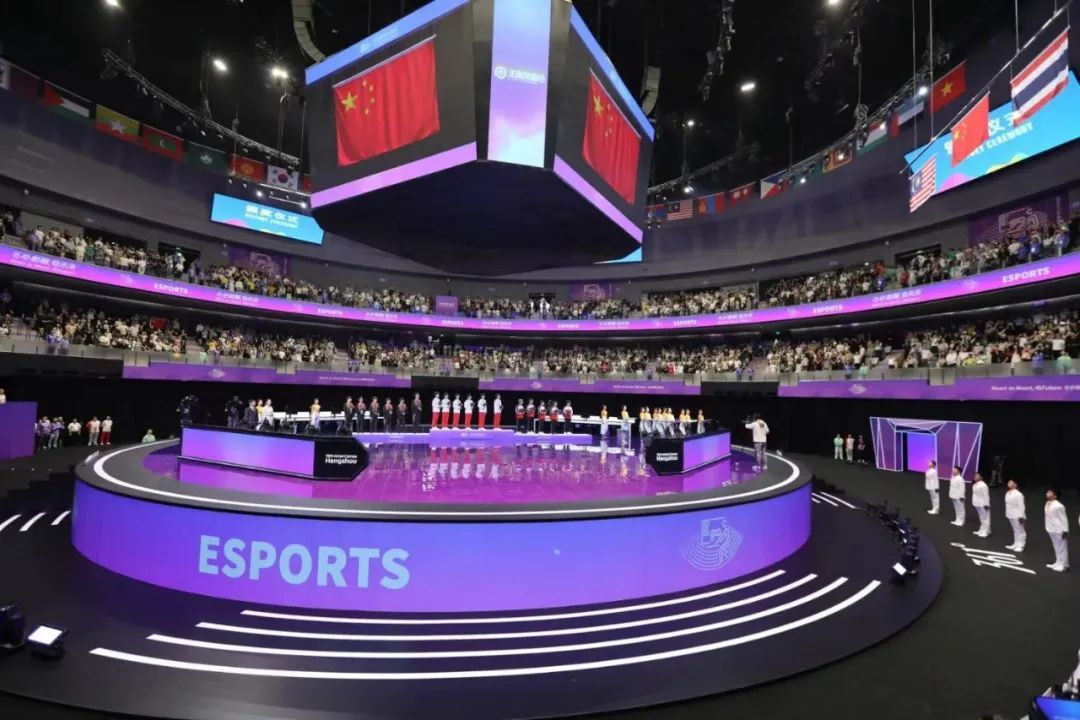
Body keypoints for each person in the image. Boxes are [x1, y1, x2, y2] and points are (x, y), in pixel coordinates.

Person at [1045, 488, 1069, 571]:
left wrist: (1065, 530)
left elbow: (1064, 518)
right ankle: (1058, 562)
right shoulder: (1047, 503)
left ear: (1055, 496)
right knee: (1056, 546)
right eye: (1047, 492)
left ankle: (1063, 565)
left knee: (1062, 547)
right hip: (1051, 528)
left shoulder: (1059, 506)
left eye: (1050, 493)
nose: (1047, 494)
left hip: (1059, 529)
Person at [1004, 479, 1027, 552]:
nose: (1009, 483)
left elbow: (1021, 506)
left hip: (1018, 515)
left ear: (1015, 485)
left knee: (1020, 530)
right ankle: (1016, 543)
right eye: (1008, 482)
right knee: (1015, 530)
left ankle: (1021, 545)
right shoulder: (1007, 493)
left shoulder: (1018, 494)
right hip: (1010, 514)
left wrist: (1021, 516)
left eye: (1011, 482)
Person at [972, 472, 991, 537]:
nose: (975, 476)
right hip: (977, 503)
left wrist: (986, 504)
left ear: (981, 477)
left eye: (977, 475)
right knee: (981, 518)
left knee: (985, 518)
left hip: (983, 504)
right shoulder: (975, 484)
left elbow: (986, 495)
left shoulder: (984, 485)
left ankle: (986, 532)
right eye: (975, 475)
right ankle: (981, 530)